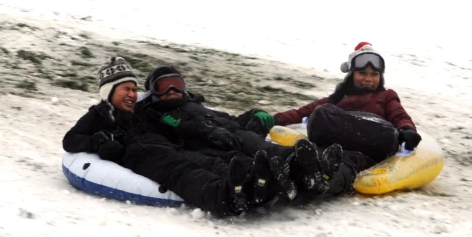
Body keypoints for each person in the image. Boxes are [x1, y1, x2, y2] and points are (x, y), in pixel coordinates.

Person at [62, 57, 255, 217]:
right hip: (142, 155)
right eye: (126, 89)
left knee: (207, 159)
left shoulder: (141, 110)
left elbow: (166, 122)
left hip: (168, 147)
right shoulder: (97, 115)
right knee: (182, 172)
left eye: (134, 89)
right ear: (110, 92)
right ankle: (222, 198)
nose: (132, 94)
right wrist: (99, 142)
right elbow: (70, 140)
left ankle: (255, 180)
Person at [135, 65, 343, 204]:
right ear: (153, 92)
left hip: (230, 133)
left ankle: (305, 166)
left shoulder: (198, 107)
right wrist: (198, 129)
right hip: (205, 145)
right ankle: (272, 179)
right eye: (162, 86)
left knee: (251, 140)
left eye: (176, 84)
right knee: (239, 157)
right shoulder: (155, 114)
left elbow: (229, 119)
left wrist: (252, 116)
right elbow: (165, 142)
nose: (171, 90)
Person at [273, 42, 422, 195]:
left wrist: (406, 130)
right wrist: (275, 119)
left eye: (374, 74)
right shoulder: (339, 98)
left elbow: (399, 115)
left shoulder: (386, 96)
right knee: (322, 128)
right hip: (336, 144)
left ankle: (322, 182)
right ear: (351, 75)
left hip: (367, 144)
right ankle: (279, 177)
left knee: (349, 162)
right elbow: (304, 111)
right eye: (362, 73)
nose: (368, 79)